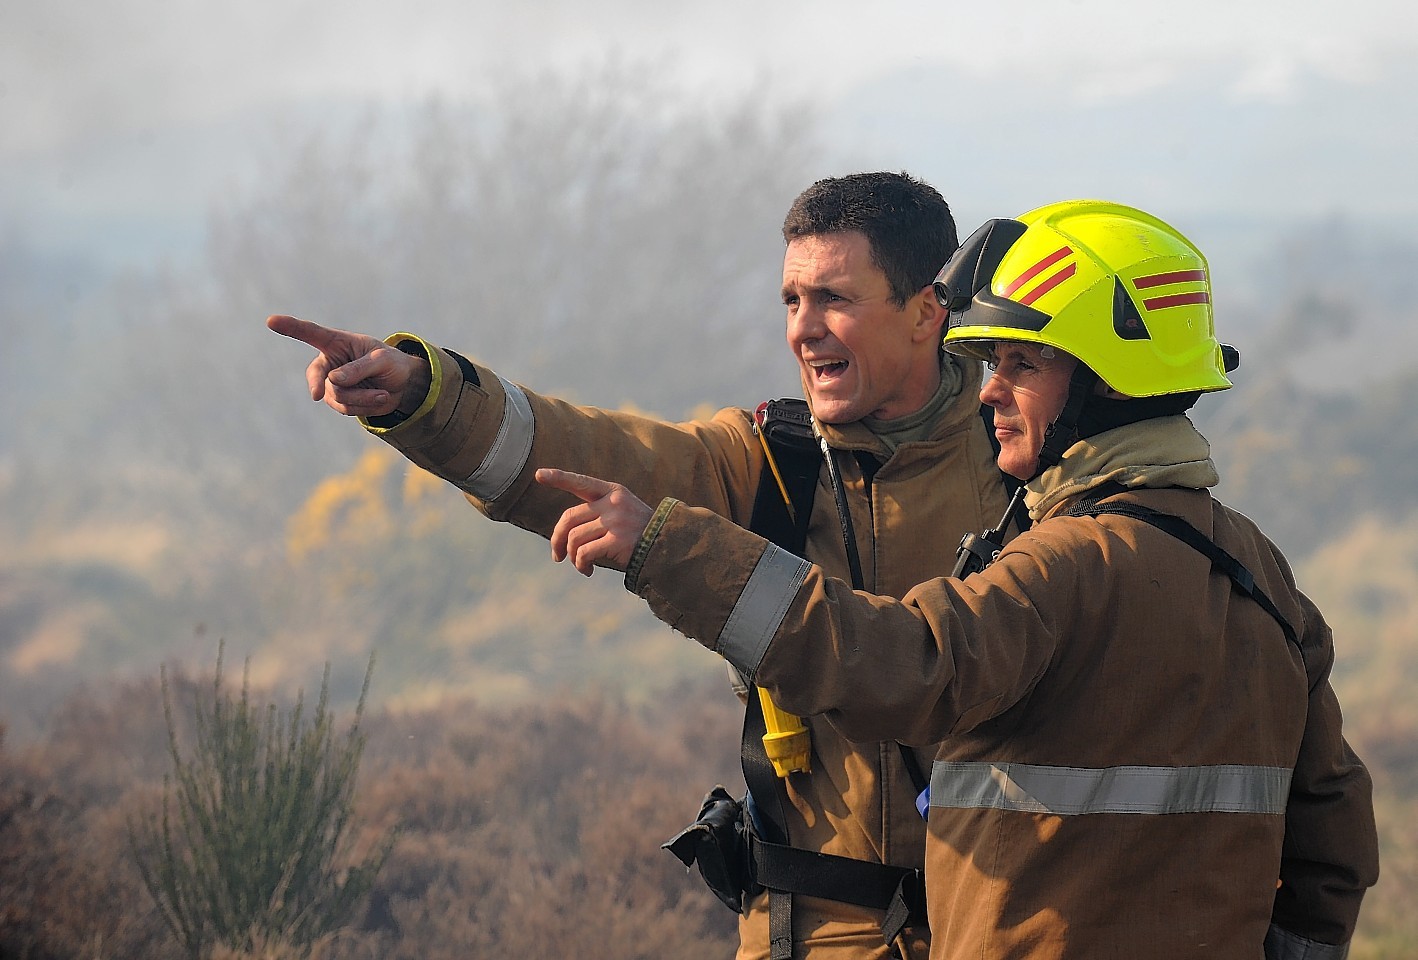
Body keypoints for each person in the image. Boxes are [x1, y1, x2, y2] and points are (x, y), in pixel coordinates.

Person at [535, 199, 1381, 960]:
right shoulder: (1261, 573)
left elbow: (902, 664)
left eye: (1021, 365)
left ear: (1103, 385)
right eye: (988, 364)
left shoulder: (1067, 565)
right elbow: (1334, 826)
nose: (990, 393)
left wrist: (669, 551)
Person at [268, 171, 1012, 960]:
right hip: (810, 941)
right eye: (792, 301)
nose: (805, 330)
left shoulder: (1024, 468)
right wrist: (424, 395)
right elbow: (583, 453)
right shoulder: (771, 464)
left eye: (835, 299)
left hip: (999, 931)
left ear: (927, 311)